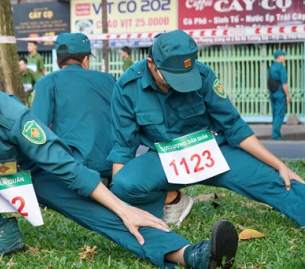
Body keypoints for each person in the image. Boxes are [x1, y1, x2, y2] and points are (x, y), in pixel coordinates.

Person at [0, 36, 239, 269]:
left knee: (104, 212)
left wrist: (123, 208)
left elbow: (68, 166)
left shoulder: (12, 117)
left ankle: (189, 255)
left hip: (33, 174)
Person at [107, 30, 305, 229]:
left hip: (214, 151)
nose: (179, 84)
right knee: (123, 184)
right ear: (151, 63)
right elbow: (123, 147)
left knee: (278, 182)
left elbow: (234, 125)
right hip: (166, 158)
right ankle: (174, 200)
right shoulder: (128, 87)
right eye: (171, 77)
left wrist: (280, 165)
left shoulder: (203, 75)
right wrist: (120, 202)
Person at [31, 33, 114, 180]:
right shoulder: (109, 80)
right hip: (111, 166)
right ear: (85, 60)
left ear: (57, 61)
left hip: (73, 169)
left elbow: (37, 129)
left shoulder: (48, 82)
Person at [268, 50, 291, 140]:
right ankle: (275, 134)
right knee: (279, 114)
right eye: (283, 56)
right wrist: (287, 95)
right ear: (279, 56)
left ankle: (275, 133)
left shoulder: (271, 67)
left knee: (274, 113)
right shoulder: (281, 68)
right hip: (280, 93)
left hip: (272, 92)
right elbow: (284, 84)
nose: (284, 58)